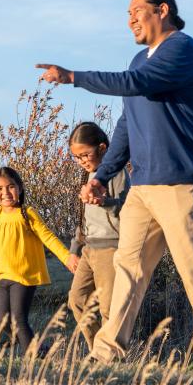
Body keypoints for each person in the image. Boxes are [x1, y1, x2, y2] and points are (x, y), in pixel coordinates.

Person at [35, 0, 193, 371]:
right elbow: (127, 123)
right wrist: (102, 174)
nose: (129, 21)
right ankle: (106, 351)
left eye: (135, 12)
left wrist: (74, 76)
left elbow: (136, 84)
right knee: (129, 268)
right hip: (143, 186)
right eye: (126, 15)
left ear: (162, 10)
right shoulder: (139, 58)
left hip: (181, 182)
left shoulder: (183, 50)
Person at [0, 166, 78, 353]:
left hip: (24, 276)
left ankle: (35, 357)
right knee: (3, 321)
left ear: (19, 188)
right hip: (3, 277)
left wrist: (67, 257)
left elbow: (48, 237)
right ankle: (40, 349)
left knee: (19, 319)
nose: (6, 192)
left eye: (11, 187)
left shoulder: (27, 214)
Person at [66, 121, 129, 351]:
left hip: (111, 247)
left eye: (85, 155)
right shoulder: (87, 177)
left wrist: (105, 202)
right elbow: (82, 218)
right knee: (77, 299)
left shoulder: (116, 173)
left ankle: (110, 356)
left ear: (102, 148)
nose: (82, 161)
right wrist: (74, 249)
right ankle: (97, 350)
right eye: (77, 157)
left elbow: (127, 207)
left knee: (108, 307)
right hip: (88, 250)